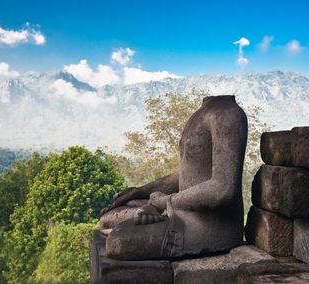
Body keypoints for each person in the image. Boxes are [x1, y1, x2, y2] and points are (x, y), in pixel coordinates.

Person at [99, 95, 248, 260]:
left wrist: (165, 202)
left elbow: (222, 189)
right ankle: (149, 214)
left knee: (118, 241)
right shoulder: (201, 113)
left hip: (206, 224)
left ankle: (151, 218)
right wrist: (139, 192)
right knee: (107, 218)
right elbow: (183, 175)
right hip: (180, 209)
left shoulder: (227, 113)